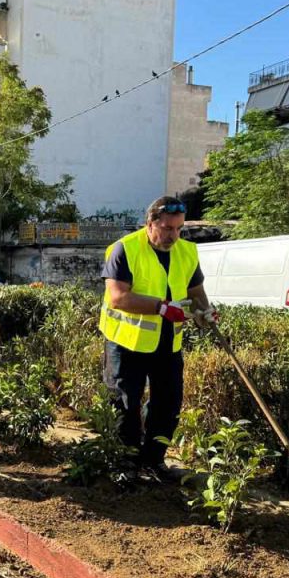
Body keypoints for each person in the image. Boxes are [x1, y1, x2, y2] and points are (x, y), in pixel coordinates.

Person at [99, 196, 219, 477]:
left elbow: (196, 292)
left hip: (167, 343)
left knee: (168, 403)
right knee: (124, 404)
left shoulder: (187, 252)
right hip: (126, 342)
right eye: (167, 228)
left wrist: (206, 313)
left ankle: (153, 461)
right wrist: (162, 308)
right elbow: (118, 297)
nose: (173, 236)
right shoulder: (125, 249)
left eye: (178, 229)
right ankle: (125, 463)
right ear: (149, 224)